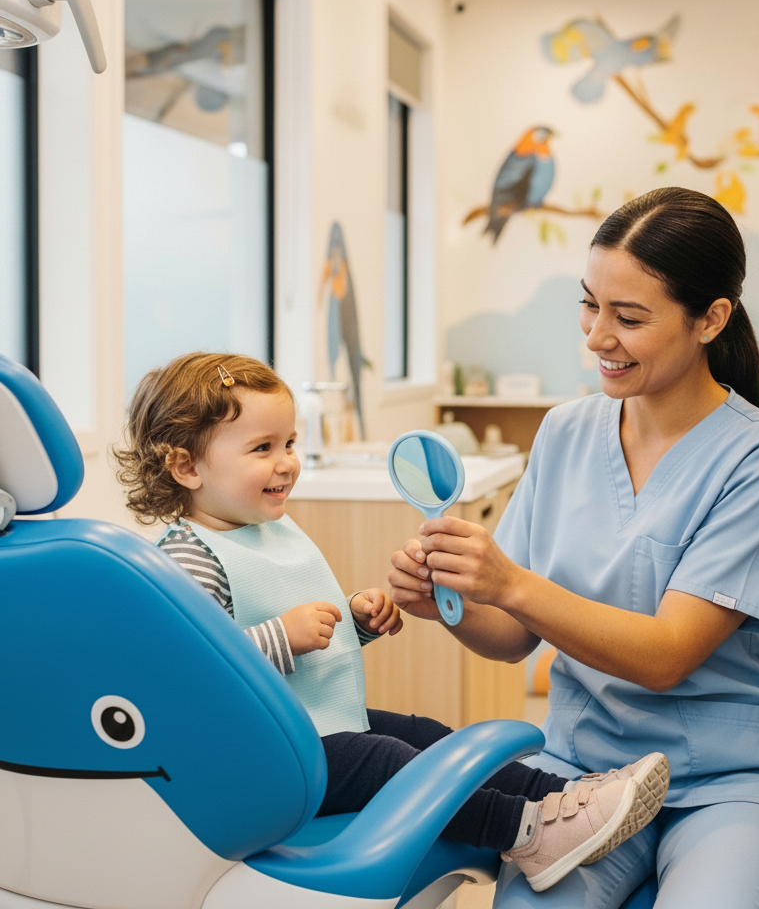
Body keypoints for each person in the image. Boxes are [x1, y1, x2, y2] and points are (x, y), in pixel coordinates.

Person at [390, 187, 759, 909]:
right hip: (581, 778)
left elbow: (666, 655)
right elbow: (510, 638)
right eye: (589, 305)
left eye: (628, 317)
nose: (596, 337)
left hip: (726, 782)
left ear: (710, 319)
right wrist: (452, 605)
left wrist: (510, 584)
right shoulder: (565, 433)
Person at [113, 351, 669, 893]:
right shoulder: (190, 555)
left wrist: (356, 621)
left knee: (427, 736)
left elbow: (306, 642)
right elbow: (194, 671)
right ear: (185, 466)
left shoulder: (266, 528)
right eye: (262, 448)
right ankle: (525, 833)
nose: (286, 462)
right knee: (386, 759)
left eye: (289, 443)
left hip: (305, 732)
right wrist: (284, 635)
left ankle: (566, 798)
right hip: (255, 765)